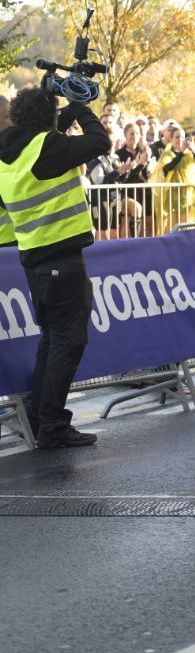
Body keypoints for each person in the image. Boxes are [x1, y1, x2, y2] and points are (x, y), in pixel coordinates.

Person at [0, 88, 109, 447]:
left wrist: (57, 114)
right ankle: (53, 425)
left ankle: (41, 416)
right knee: (68, 342)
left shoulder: (10, 152)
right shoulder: (47, 147)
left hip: (35, 261)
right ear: (47, 119)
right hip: (62, 259)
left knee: (52, 342)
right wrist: (78, 103)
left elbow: (46, 138)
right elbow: (98, 141)